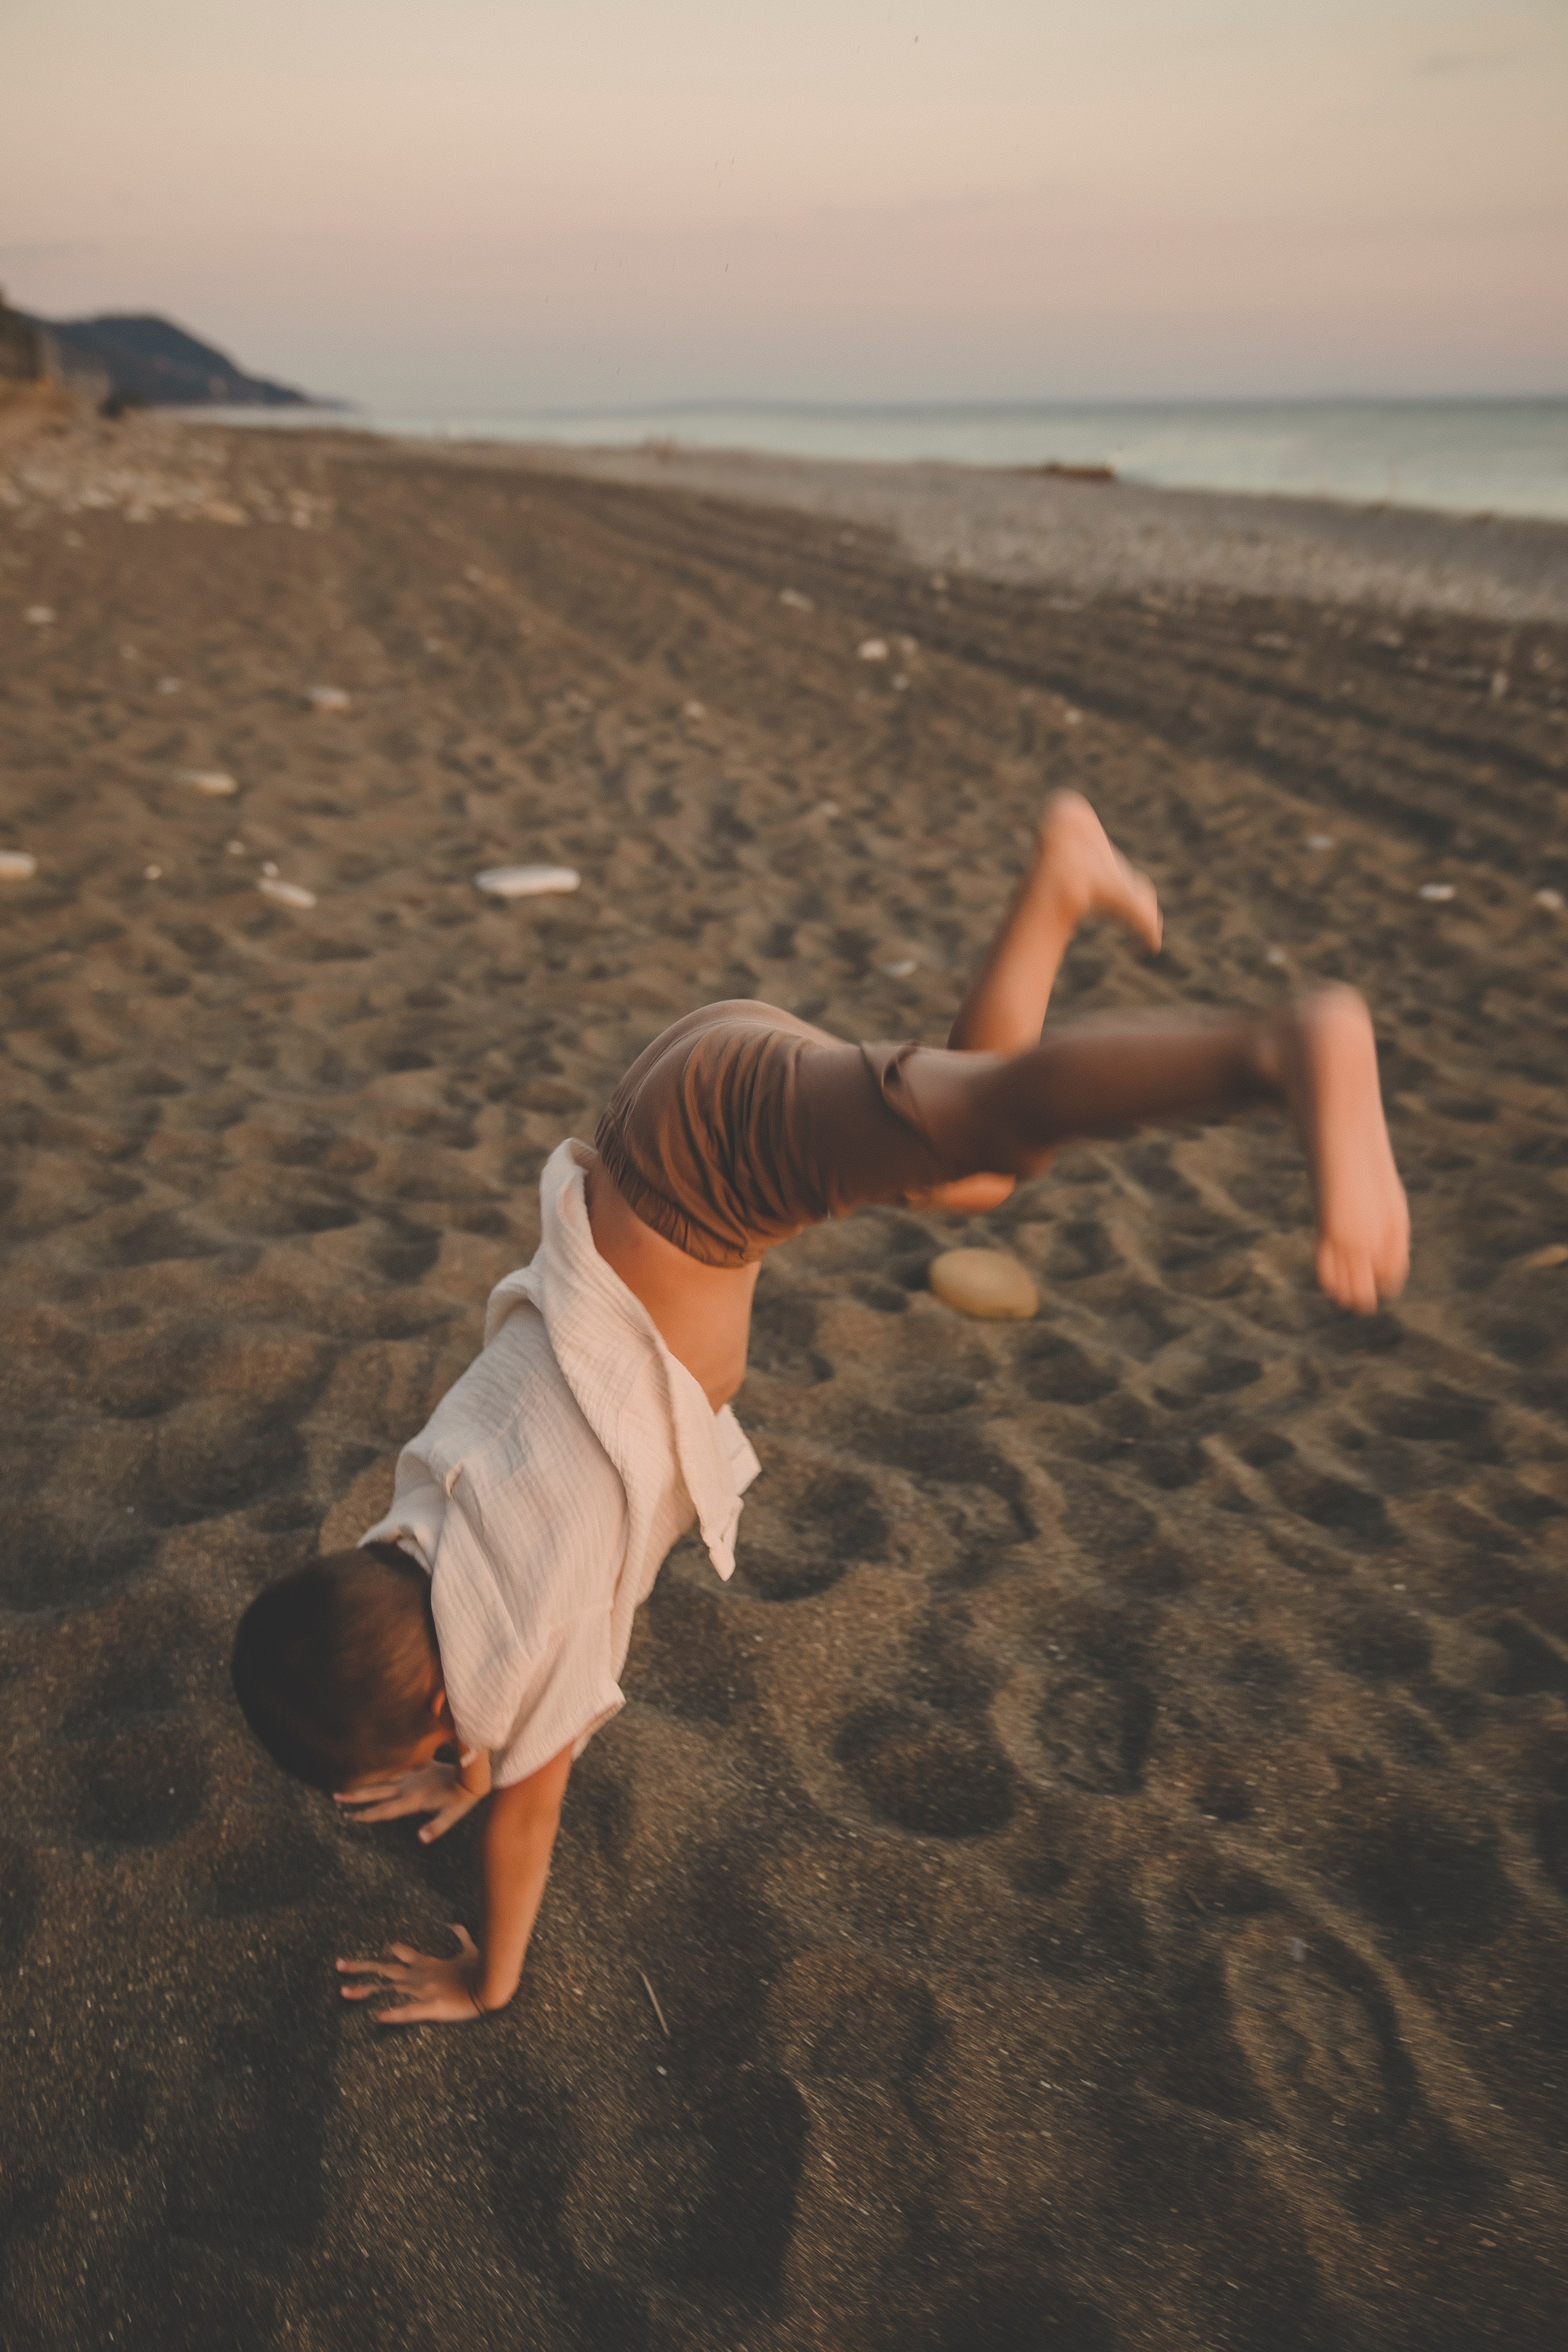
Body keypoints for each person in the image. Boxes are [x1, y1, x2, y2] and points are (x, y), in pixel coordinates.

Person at [230, 793, 1408, 2026]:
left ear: (442, 1709)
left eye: (435, 1745)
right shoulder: (424, 1524)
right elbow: (460, 1637)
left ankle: (1283, 1049)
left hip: (712, 1154)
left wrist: (489, 1978)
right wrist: (461, 1754)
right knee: (970, 1170)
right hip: (672, 1125)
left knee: (998, 1130)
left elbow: (529, 1809)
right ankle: (1059, 880)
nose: (453, 1749)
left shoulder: (538, 1625)